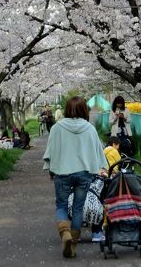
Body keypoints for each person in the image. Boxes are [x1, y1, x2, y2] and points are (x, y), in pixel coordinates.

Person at [43, 96, 107, 259]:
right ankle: (73, 244)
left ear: (67, 110)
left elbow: (51, 151)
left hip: (62, 173)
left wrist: (51, 169)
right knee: (78, 208)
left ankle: (65, 233)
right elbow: (98, 152)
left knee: (62, 206)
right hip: (84, 174)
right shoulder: (90, 128)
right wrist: (101, 168)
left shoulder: (57, 128)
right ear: (84, 110)